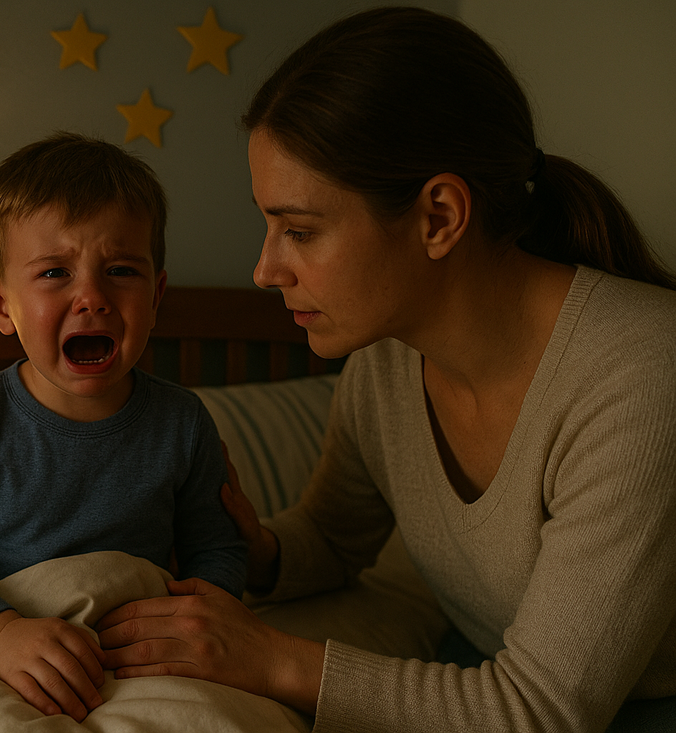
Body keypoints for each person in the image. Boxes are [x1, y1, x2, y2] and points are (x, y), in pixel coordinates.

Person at [96, 7, 676, 732]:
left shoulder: (642, 375)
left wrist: (270, 658)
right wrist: (254, 547)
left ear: (439, 217)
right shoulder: (385, 358)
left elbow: (539, 711)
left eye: (300, 230)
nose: (266, 269)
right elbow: (336, 537)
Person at [0, 132, 247, 724]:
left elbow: (217, 549)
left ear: (156, 296)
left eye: (121, 270)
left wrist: (196, 619)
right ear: (2, 306)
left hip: (139, 655)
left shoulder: (182, 424)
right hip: (5, 653)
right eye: (55, 272)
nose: (92, 297)